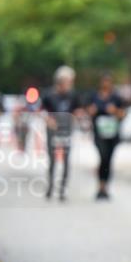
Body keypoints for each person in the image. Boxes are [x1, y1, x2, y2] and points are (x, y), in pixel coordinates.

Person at [42, 66, 82, 201]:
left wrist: (77, 117)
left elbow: (77, 110)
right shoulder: (49, 94)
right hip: (52, 131)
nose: (70, 84)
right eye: (68, 81)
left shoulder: (73, 95)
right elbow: (41, 110)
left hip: (66, 130)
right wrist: (48, 119)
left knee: (66, 160)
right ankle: (50, 186)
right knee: (52, 160)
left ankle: (62, 189)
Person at [86, 73, 127, 200]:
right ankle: (100, 186)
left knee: (108, 160)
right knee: (103, 157)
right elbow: (87, 111)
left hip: (112, 134)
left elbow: (123, 114)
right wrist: (91, 110)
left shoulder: (116, 98)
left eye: (108, 82)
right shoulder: (94, 97)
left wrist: (114, 111)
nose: (106, 84)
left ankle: (104, 188)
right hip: (99, 134)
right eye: (104, 82)